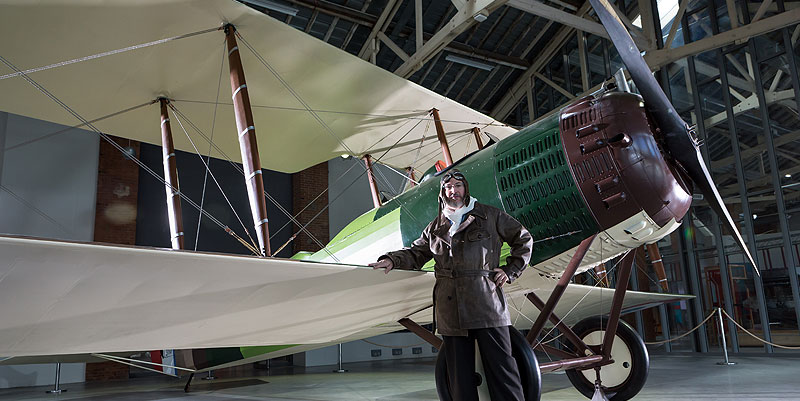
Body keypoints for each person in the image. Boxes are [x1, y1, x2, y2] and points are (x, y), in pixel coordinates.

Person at [369, 169, 533, 401]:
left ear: (466, 189)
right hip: (450, 309)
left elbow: (523, 238)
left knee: (503, 372)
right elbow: (416, 253)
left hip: (486, 303)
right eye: (448, 187)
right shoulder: (435, 228)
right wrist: (391, 259)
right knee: (459, 381)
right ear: (442, 193)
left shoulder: (490, 216)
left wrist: (510, 270)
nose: (453, 191)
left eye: (457, 186)